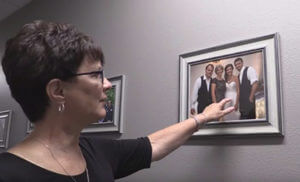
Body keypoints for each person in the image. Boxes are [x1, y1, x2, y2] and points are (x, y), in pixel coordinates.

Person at [0, 20, 234, 182]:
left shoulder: (95, 151)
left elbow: (154, 144)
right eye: (95, 75)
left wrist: (203, 117)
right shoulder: (7, 173)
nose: (107, 84)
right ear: (58, 90)